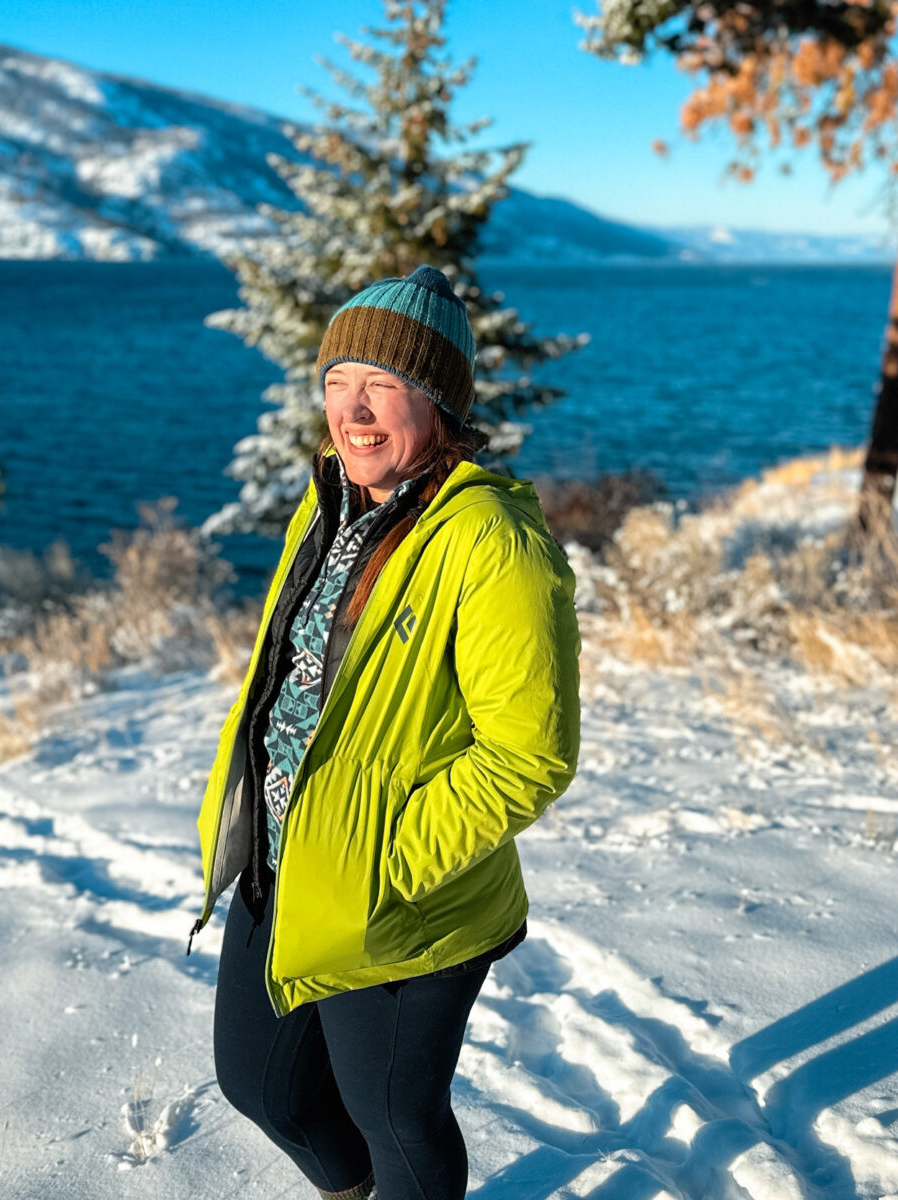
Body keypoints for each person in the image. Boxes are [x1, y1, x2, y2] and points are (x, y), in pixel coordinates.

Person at [190, 264, 582, 1200]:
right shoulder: (329, 503)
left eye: (384, 385)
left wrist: (385, 863)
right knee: (261, 1090)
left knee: (397, 1123)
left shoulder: (492, 540)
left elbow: (529, 753)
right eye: (336, 381)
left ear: (438, 401)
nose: (352, 409)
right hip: (280, 863)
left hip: (403, 898)